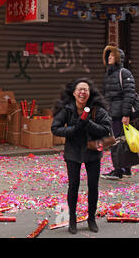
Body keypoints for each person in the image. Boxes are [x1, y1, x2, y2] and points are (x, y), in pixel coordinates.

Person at [51, 78, 112, 234]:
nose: (82, 92)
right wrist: (74, 129)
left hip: (92, 153)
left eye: (85, 89)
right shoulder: (67, 109)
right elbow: (55, 128)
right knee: (73, 186)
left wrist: (88, 124)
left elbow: (106, 129)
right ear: (74, 93)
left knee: (93, 186)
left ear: (89, 93)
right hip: (73, 152)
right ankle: (72, 220)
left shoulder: (96, 110)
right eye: (80, 89)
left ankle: (91, 219)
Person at [101, 45, 135, 180]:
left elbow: (129, 94)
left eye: (112, 55)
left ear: (118, 58)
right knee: (122, 142)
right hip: (112, 113)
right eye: (108, 55)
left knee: (117, 142)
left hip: (120, 114)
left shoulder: (124, 73)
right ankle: (126, 169)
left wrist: (126, 114)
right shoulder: (108, 74)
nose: (109, 57)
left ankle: (118, 170)